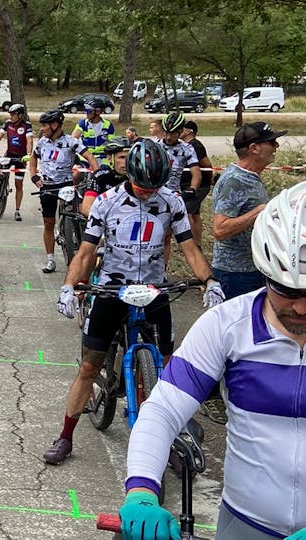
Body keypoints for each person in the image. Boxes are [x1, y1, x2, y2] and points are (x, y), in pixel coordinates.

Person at [116, 182, 306, 540]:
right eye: (288, 291)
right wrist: (141, 490)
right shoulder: (226, 325)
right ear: (265, 274)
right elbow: (164, 409)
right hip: (247, 524)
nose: (301, 308)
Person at [45, 140, 224, 466]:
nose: (146, 192)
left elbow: (190, 248)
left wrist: (209, 281)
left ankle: (170, 434)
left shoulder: (172, 202)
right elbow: (86, 252)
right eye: (142, 185)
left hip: (154, 289)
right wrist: (69, 286)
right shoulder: (106, 202)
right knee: (88, 367)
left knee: (170, 368)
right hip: (112, 289)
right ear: (129, 175)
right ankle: (66, 435)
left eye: (153, 187)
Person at [211, 122, 283, 300]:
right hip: (235, 273)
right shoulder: (234, 180)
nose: (276, 146)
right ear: (254, 148)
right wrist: (259, 211)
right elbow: (220, 230)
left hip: (252, 268)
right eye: (271, 142)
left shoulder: (249, 176)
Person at [28, 110, 100, 273]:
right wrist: (33, 176)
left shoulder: (70, 141)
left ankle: (78, 246)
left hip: (66, 185)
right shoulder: (42, 142)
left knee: (78, 217)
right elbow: (33, 158)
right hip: (47, 186)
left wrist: (97, 177)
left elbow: (89, 157)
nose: (43, 128)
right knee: (48, 223)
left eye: (45, 125)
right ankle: (50, 259)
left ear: (55, 125)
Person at [0, 103, 34, 221]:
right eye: (10, 114)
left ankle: (17, 210)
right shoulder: (8, 123)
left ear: (20, 115)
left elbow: (29, 140)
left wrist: (29, 155)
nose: (11, 116)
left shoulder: (26, 126)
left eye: (13, 114)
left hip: (21, 157)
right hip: (9, 154)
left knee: (18, 184)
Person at [79, 137, 130, 216]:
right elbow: (86, 208)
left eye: (130, 157)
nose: (127, 162)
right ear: (109, 159)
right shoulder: (100, 175)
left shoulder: (137, 177)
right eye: (122, 157)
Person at [180, 120, 213, 241]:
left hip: (199, 186)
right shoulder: (183, 145)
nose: (179, 131)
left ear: (189, 131)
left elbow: (207, 165)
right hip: (187, 185)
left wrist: (211, 178)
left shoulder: (195, 146)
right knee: (195, 214)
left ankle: (191, 243)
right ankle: (197, 242)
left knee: (187, 212)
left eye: (181, 129)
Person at [155, 112, 200, 194]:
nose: (168, 137)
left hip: (174, 194)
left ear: (181, 131)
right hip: (155, 191)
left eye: (172, 133)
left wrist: (192, 189)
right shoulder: (154, 146)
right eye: (166, 133)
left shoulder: (187, 149)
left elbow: (196, 173)